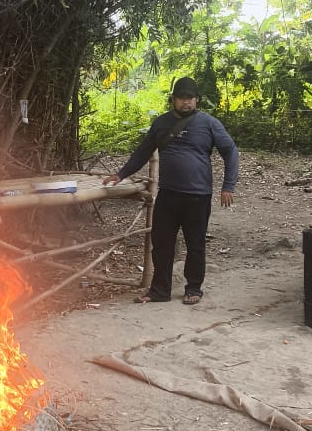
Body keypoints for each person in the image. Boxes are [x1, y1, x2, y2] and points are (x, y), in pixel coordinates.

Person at [102, 76, 239, 305]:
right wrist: (121, 174)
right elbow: (143, 151)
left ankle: (193, 288)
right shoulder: (161, 123)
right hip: (168, 195)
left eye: (190, 98)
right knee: (162, 244)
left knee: (195, 244)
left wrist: (228, 186)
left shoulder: (209, 123)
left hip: (197, 195)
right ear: (173, 99)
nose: (186, 102)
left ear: (197, 100)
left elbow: (231, 152)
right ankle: (159, 291)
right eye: (181, 98)